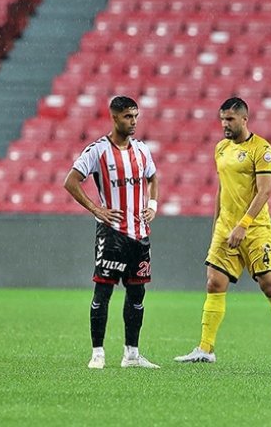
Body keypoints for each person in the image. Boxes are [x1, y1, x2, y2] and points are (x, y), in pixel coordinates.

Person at [174, 97, 271, 365]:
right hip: (225, 228)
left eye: (230, 119)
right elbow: (221, 189)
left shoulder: (262, 149)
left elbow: (264, 191)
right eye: (222, 119)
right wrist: (217, 226)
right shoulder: (221, 149)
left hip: (255, 229)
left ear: (244, 119)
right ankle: (205, 349)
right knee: (214, 283)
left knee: (269, 285)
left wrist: (243, 225)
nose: (225, 124)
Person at [64, 95, 160, 369]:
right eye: (128, 116)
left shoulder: (142, 150)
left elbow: (153, 176)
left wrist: (152, 204)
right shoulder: (98, 151)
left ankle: (131, 354)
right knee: (103, 293)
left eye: (135, 116)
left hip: (140, 234)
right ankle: (97, 353)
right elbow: (70, 182)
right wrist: (96, 209)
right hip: (113, 234)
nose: (133, 122)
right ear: (114, 117)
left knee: (137, 295)